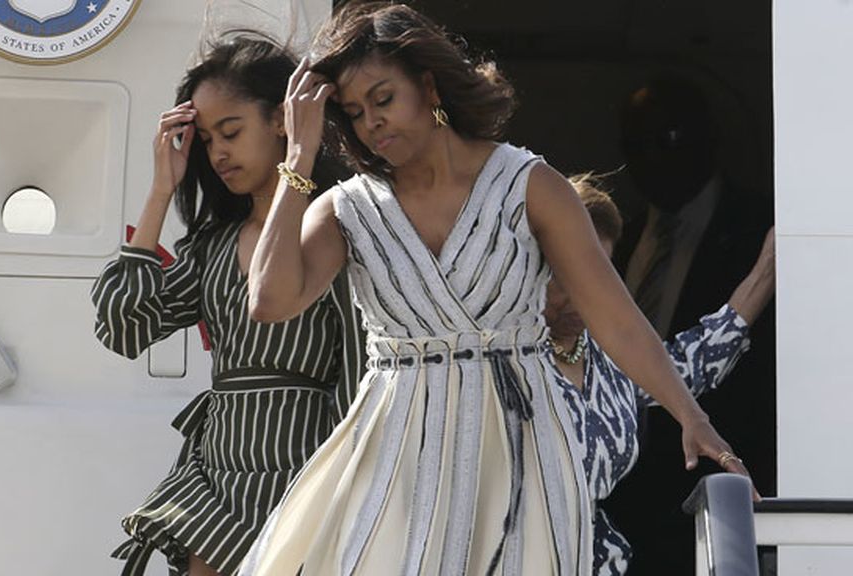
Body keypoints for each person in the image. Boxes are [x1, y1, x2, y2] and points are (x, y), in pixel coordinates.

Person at [239, 4, 750, 574]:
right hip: (398, 448)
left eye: (383, 99)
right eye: (355, 113)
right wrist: (297, 160)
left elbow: (618, 319)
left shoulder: (529, 185)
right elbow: (271, 300)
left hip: (522, 445)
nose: (372, 123)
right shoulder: (348, 209)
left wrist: (692, 417)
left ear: (428, 86)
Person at [90, 36, 366, 576]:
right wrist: (160, 190)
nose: (217, 152)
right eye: (208, 139)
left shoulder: (339, 231)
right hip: (218, 469)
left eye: (232, 132)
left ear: (282, 121)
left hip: (309, 466)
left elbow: (360, 373)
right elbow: (121, 326)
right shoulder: (213, 246)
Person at [545, 174, 774, 575]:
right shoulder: (499, 358)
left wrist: (766, 272)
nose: (583, 295)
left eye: (599, 278)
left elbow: (692, 361)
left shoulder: (612, 359)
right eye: (565, 278)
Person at [609, 76, 776, 575]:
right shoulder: (616, 238)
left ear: (710, 138)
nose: (652, 158)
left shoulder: (760, 230)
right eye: (636, 146)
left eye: (670, 139)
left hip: (720, 494)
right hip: (624, 502)